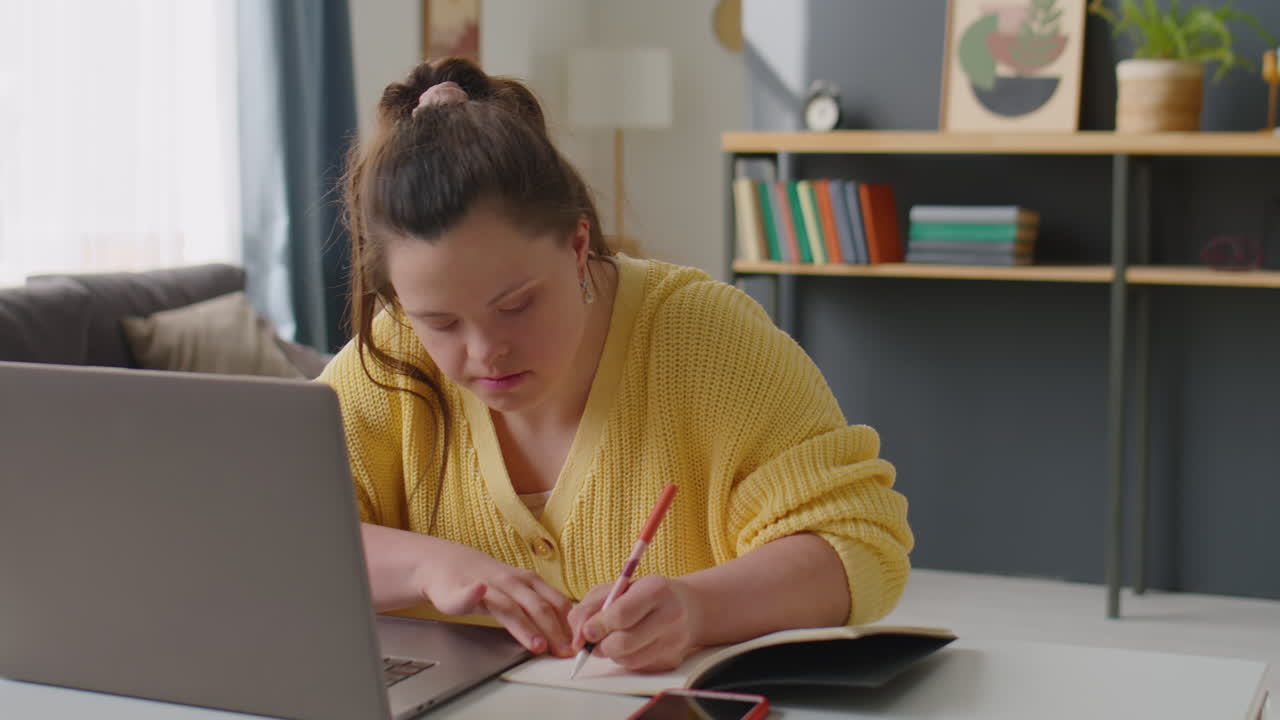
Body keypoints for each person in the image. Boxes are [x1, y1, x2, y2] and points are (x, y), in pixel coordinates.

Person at [320, 57, 913, 673]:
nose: (483, 350)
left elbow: (858, 542)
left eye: (516, 305)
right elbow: (266, 539)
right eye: (440, 322)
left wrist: (699, 608)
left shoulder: (706, 338)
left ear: (579, 248)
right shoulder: (390, 358)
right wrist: (428, 565)